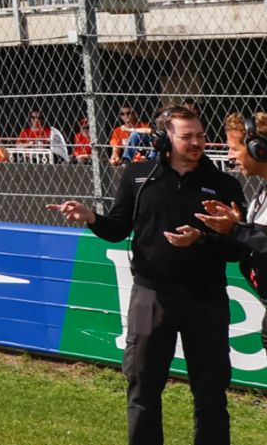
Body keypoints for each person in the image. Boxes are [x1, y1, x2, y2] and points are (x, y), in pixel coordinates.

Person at [49, 105, 244, 445]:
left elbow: (237, 248)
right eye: (187, 136)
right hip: (151, 297)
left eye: (200, 135)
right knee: (142, 388)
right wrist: (91, 217)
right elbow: (118, 227)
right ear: (164, 139)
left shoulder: (224, 184)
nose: (197, 142)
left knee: (211, 394)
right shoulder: (138, 176)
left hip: (207, 300)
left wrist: (203, 238)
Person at [197, 112, 267, 340]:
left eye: (234, 149)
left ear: (259, 149)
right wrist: (238, 225)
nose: (229, 156)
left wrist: (236, 230)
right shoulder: (261, 192)